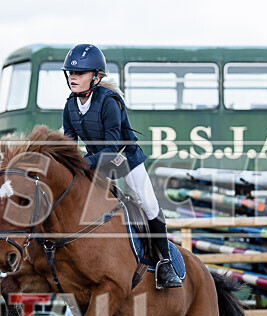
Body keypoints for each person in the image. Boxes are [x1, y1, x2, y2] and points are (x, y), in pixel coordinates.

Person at [61, 43, 182, 289]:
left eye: (80, 73)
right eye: (71, 73)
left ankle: (165, 263)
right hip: (97, 160)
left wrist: (84, 163)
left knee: (147, 204)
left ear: (95, 77)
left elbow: (113, 147)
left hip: (125, 157)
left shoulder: (109, 102)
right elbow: (69, 146)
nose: (73, 77)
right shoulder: (70, 106)